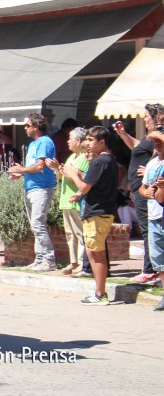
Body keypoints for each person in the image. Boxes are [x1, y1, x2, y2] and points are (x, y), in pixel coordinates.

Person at [61, 126, 119, 305]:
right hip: (100, 211)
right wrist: (80, 189)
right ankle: (99, 292)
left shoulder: (100, 161)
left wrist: (73, 174)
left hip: (98, 212)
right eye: (86, 139)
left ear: (102, 142)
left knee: (95, 253)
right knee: (93, 251)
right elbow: (93, 186)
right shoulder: (107, 160)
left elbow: (85, 186)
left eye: (91, 140)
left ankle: (100, 294)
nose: (87, 143)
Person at [113, 104, 164, 285]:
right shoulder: (148, 138)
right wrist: (123, 134)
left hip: (150, 191)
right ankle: (152, 269)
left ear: (155, 117)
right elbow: (137, 147)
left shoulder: (158, 135)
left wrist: (150, 169)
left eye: (146, 116)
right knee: (147, 228)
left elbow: (159, 151)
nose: (144, 119)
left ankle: (150, 270)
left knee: (148, 229)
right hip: (141, 189)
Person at [8, 113, 58, 271]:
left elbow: (40, 166)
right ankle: (40, 258)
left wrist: (22, 169)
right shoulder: (33, 144)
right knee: (36, 224)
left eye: (27, 125)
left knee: (38, 224)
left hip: (42, 188)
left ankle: (49, 260)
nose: (25, 128)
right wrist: (21, 173)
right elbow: (33, 167)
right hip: (31, 187)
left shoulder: (44, 142)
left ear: (36, 127)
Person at [46, 127, 89, 275]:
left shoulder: (85, 158)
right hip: (66, 200)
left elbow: (83, 178)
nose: (68, 141)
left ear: (78, 141)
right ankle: (73, 261)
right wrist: (57, 169)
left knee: (80, 233)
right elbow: (61, 177)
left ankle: (82, 262)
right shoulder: (71, 158)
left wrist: (69, 173)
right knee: (70, 234)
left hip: (77, 200)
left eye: (70, 138)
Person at [139, 130, 164, 310]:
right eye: (154, 141)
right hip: (154, 214)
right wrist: (145, 192)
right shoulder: (153, 163)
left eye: (159, 140)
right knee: (158, 258)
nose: (156, 143)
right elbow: (143, 187)